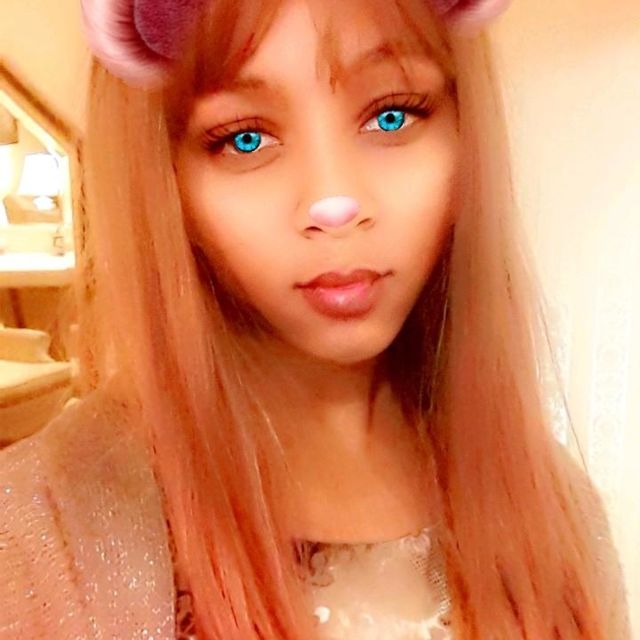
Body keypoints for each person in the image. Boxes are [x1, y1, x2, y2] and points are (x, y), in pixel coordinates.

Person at [0, 0, 632, 638]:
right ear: (167, 176)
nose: (335, 202)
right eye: (245, 138)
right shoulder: (41, 535)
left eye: (391, 115)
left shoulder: (553, 513)